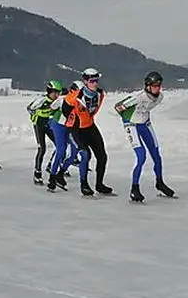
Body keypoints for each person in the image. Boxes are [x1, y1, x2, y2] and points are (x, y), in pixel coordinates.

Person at [114, 71, 176, 202]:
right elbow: (118, 107)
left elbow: (146, 108)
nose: (157, 88)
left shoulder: (160, 97)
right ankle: (134, 188)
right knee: (141, 156)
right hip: (132, 124)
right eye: (154, 85)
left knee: (156, 155)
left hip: (145, 124)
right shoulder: (139, 97)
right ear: (148, 86)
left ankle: (160, 182)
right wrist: (127, 120)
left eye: (159, 85)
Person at [61, 67, 113, 196]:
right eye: (91, 81)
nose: (94, 83)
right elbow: (65, 110)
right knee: (85, 154)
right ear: (85, 81)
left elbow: (93, 110)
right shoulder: (75, 96)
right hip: (76, 127)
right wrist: (73, 121)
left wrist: (88, 118)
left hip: (89, 126)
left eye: (96, 81)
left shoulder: (100, 93)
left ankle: (99, 185)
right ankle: (84, 185)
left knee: (102, 156)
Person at [27, 80, 64, 185]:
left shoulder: (57, 101)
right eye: (55, 92)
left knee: (59, 146)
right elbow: (29, 108)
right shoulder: (41, 100)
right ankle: (37, 173)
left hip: (48, 125)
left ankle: (52, 165)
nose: (57, 95)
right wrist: (37, 115)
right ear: (49, 91)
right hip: (39, 125)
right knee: (42, 149)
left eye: (58, 93)